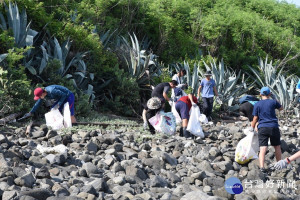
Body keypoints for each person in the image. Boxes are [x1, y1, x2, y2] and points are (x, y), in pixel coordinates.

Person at [251, 87, 283, 173]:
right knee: (277, 146)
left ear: (260, 94)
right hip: (273, 126)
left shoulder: (257, 104)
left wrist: (252, 127)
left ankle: (262, 167)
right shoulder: (273, 102)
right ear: (269, 94)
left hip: (262, 127)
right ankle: (279, 164)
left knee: (262, 148)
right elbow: (281, 108)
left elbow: (255, 118)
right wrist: (275, 98)